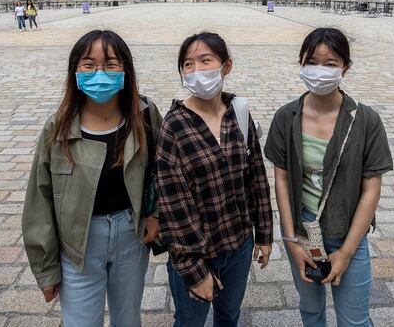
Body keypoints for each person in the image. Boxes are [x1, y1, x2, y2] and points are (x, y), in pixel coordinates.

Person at [22, 30, 162, 327]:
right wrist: (46, 269)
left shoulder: (145, 115)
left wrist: (156, 215)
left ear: (126, 70)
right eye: (89, 64)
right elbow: (39, 200)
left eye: (111, 64)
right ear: (75, 70)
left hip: (130, 234)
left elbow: (163, 170)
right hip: (77, 242)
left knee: (128, 320)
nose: (100, 73)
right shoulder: (57, 128)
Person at [264, 27, 393, 327]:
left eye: (331, 63)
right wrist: (290, 239)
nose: (319, 70)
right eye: (312, 62)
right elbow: (281, 181)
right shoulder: (286, 117)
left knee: (355, 321)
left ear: (345, 67)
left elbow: (371, 190)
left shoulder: (366, 120)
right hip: (304, 232)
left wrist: (347, 252)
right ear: (301, 64)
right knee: (310, 312)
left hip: (349, 231)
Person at [157, 31, 273, 327]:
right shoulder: (174, 125)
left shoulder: (239, 112)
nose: (196, 71)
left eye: (205, 60)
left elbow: (256, 178)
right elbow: (173, 205)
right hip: (197, 253)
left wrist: (264, 234)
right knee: (189, 322)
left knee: (229, 316)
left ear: (226, 66)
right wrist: (194, 270)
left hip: (238, 245)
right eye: (188, 64)